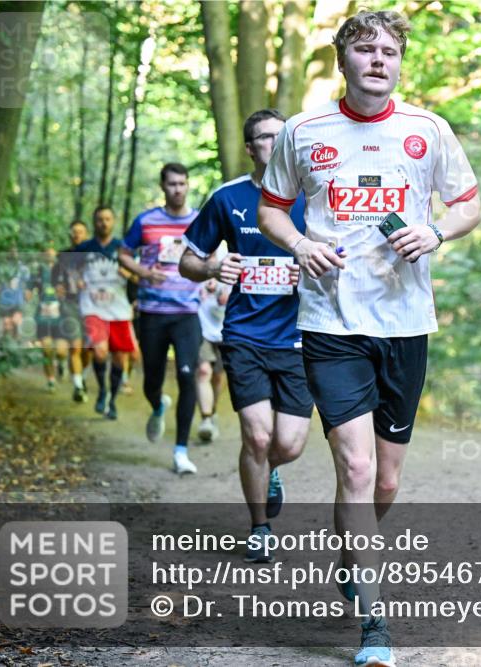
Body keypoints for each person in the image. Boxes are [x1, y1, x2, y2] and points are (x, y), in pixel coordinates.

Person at [257, 11, 481, 665]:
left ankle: (352, 553)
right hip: (330, 323)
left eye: (389, 51)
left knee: (384, 481)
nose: (379, 59)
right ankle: (375, 625)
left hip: (407, 323)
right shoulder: (302, 133)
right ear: (342, 58)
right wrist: (301, 243)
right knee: (353, 467)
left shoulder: (428, 130)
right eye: (365, 49)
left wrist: (438, 231)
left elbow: (467, 202)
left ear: (399, 62)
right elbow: (273, 208)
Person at [180, 108, 313, 563]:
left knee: (288, 444)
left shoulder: (314, 196)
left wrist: (313, 267)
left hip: (299, 336)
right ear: (250, 147)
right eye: (263, 138)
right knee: (256, 436)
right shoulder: (228, 197)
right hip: (244, 334)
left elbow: (342, 255)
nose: (273, 144)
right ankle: (260, 527)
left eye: (282, 136)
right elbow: (187, 261)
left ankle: (270, 472)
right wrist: (215, 266)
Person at [118, 163, 202, 475]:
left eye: (182, 183)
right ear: (163, 187)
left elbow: (211, 257)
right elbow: (124, 253)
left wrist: (211, 282)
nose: (177, 189)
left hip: (186, 313)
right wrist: (142, 272)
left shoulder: (199, 220)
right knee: (151, 380)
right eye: (172, 184)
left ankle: (181, 451)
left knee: (186, 375)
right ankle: (157, 405)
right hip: (152, 313)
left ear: (188, 185)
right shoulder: (146, 221)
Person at [73, 206, 137, 420]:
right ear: (94, 222)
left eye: (108, 219)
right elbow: (67, 270)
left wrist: (128, 273)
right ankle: (102, 390)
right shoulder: (83, 248)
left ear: (114, 221)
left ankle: (112, 400)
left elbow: (139, 277)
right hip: (92, 308)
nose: (104, 223)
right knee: (99, 351)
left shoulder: (123, 248)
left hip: (118, 310)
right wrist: (75, 280)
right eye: (100, 219)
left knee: (119, 358)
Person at [54, 220, 92, 402]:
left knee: (88, 351)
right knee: (75, 347)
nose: (77, 235)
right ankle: (77, 386)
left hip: (91, 307)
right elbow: (55, 279)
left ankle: (81, 377)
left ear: (86, 234)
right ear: (70, 235)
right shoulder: (62, 256)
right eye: (74, 232)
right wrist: (58, 288)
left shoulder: (94, 255)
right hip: (70, 306)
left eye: (81, 232)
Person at [195, 253, 229, 443]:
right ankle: (206, 419)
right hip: (201, 325)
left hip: (228, 327)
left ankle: (212, 409)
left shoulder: (232, 249)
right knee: (203, 371)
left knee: (218, 377)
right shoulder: (194, 254)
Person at [33, 247, 69, 391]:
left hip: (60, 317)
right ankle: (51, 380)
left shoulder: (63, 271)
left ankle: (62, 363)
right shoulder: (38, 272)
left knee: (61, 351)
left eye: (52, 252)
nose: (49, 254)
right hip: (43, 317)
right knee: (47, 349)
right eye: (46, 252)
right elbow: (29, 287)